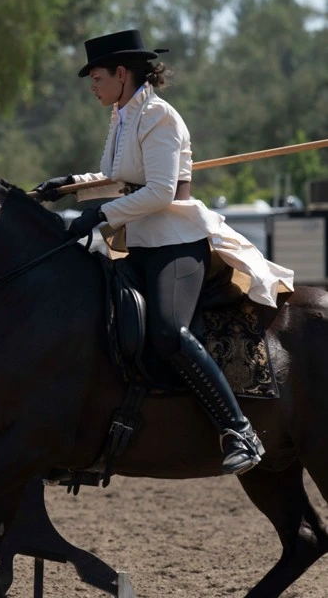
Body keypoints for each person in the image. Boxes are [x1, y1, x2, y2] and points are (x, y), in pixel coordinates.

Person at [33, 29, 294, 475]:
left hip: (175, 242)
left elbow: (159, 192)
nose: (92, 86)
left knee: (169, 333)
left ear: (121, 72)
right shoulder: (121, 116)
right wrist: (70, 184)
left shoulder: (160, 117)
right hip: (138, 242)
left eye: (96, 76)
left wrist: (98, 216)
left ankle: (238, 430)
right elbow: (117, 176)